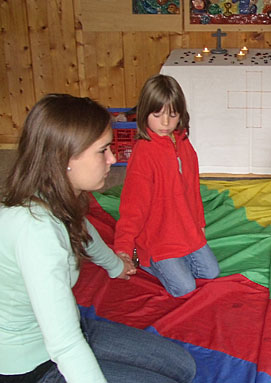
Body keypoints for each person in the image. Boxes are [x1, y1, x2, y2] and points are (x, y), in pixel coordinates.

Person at [0, 94, 196, 382]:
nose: (112, 159)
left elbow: (84, 230)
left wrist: (116, 265)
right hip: (35, 364)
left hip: (70, 329)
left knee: (184, 367)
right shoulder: (36, 231)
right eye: (103, 150)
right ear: (65, 159)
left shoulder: (57, 194)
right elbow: (65, 346)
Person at [114, 74, 220, 297]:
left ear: (181, 114)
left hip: (184, 230)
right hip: (157, 238)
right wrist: (123, 248)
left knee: (210, 272)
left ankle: (174, 259)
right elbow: (133, 207)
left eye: (172, 115)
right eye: (157, 114)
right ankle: (148, 259)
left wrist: (199, 223)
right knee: (184, 287)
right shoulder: (144, 154)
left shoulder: (182, 142)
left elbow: (192, 189)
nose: (165, 123)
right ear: (144, 113)